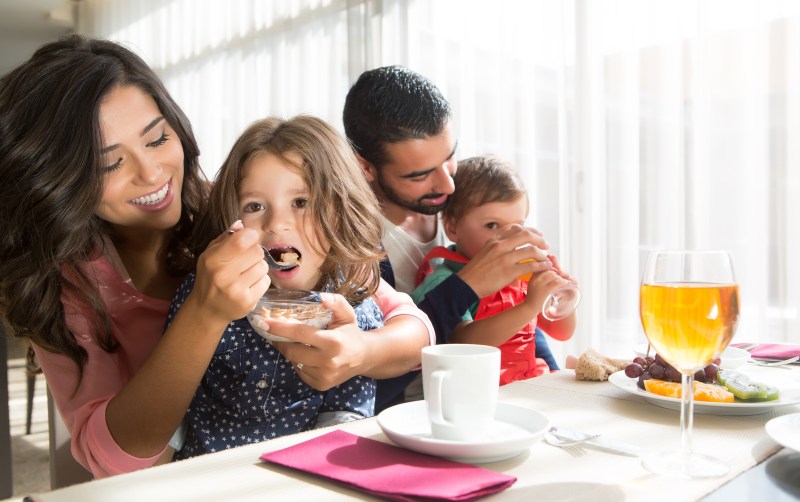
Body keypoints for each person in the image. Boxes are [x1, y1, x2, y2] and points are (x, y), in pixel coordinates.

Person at [0, 35, 429, 478]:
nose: (151, 174)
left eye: (157, 139)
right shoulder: (67, 286)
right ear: (57, 181)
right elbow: (118, 461)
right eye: (109, 164)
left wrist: (361, 352)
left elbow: (414, 329)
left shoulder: (238, 212)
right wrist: (204, 311)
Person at [168, 116, 433, 458]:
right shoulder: (204, 291)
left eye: (301, 202)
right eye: (254, 206)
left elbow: (343, 423)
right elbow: (171, 412)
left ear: (340, 208)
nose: (276, 224)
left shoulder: (352, 307)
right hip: (201, 477)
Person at [342, 66, 558, 408]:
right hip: (410, 416)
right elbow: (364, 384)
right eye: (421, 175)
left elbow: (517, 309)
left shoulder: (467, 205)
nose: (448, 185)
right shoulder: (347, 244)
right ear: (365, 166)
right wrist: (466, 286)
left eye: (449, 157)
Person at [413, 156, 577, 384]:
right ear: (452, 227)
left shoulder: (521, 274)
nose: (508, 238)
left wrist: (562, 297)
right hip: (480, 392)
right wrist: (530, 306)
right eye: (492, 225)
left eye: (517, 226)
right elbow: (463, 344)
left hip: (529, 382)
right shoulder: (447, 280)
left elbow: (562, 332)